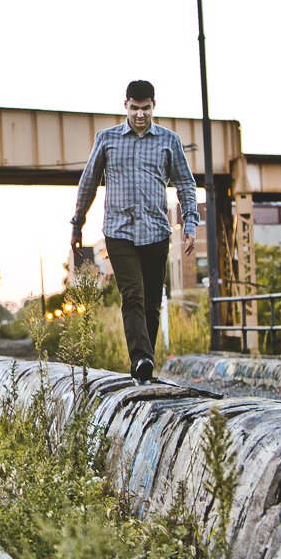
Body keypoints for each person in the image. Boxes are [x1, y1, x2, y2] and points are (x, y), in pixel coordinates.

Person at [71, 81, 199, 384]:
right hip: (120, 232)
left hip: (156, 231)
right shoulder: (107, 139)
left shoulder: (169, 141)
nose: (140, 114)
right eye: (134, 108)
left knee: (153, 302)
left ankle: (144, 367)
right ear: (125, 105)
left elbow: (186, 183)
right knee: (133, 296)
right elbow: (87, 183)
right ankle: (141, 358)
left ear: (153, 106)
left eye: (145, 108)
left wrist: (190, 223)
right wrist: (78, 223)